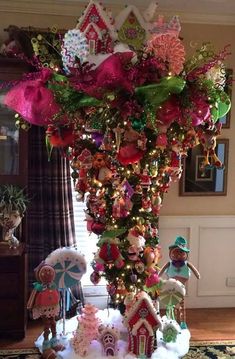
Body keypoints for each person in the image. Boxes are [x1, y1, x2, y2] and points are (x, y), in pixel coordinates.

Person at [159, 236, 200, 328]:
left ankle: (182, 322)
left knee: (182, 304)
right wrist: (157, 276)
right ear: (171, 253)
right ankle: (171, 320)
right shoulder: (169, 264)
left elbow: (194, 270)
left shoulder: (186, 264)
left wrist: (197, 275)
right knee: (171, 303)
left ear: (185, 254)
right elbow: (161, 270)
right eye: (176, 252)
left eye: (181, 252)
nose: (178, 255)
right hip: (170, 286)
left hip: (181, 287)